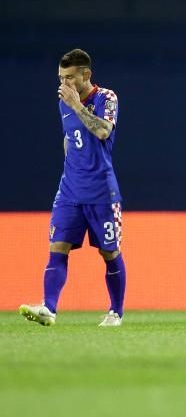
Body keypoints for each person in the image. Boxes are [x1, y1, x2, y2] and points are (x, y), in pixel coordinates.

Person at [20, 49, 126, 327]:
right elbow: (69, 140)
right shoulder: (63, 102)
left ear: (86, 75)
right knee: (58, 246)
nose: (63, 84)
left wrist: (78, 105)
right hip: (69, 190)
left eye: (69, 78)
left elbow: (103, 131)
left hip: (102, 192)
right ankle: (48, 308)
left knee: (109, 253)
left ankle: (115, 312)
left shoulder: (106, 98)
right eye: (60, 78)